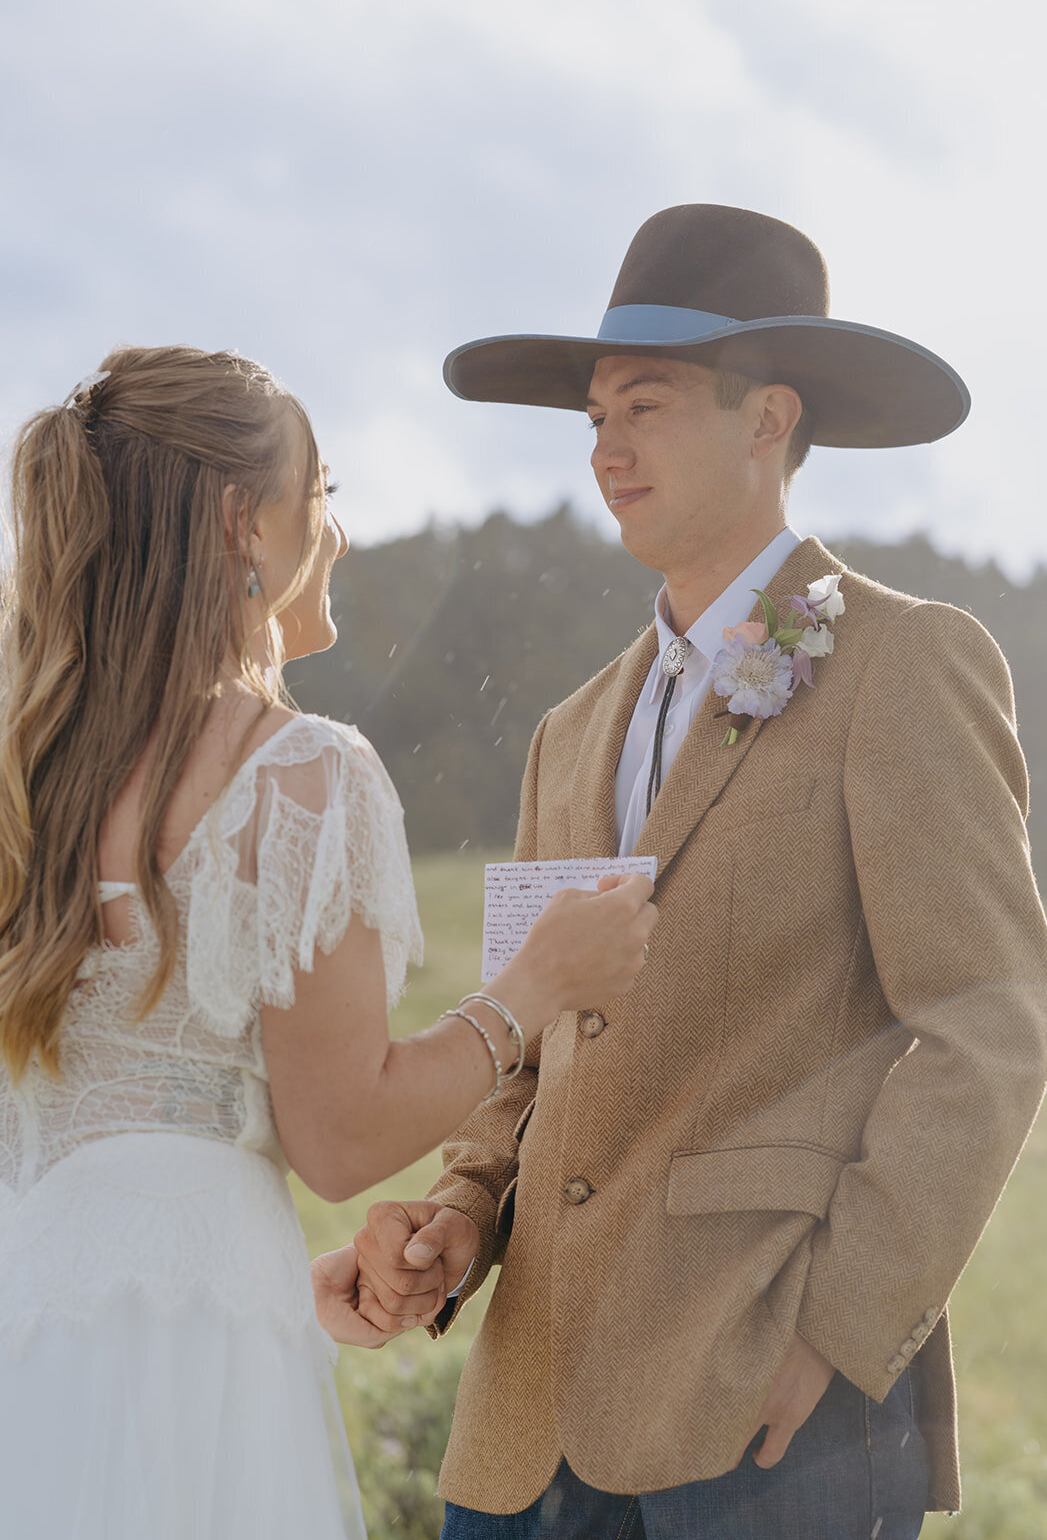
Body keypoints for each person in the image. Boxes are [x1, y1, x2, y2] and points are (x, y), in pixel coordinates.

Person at [321, 206, 1047, 1539]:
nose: (604, 451)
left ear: (766, 417)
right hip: (523, 1430)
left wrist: (837, 1337)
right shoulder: (568, 732)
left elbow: (987, 1021)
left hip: (768, 1419)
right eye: (592, 417)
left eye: (642, 408)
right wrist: (455, 1217)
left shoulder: (903, 660)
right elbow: (537, 1053)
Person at [0, 344, 656, 1540]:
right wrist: (536, 984)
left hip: (33, 1320)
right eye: (328, 492)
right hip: (194, 1334)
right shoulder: (298, 771)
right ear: (245, 521)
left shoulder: (21, 766)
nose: (340, 533)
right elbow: (342, 1136)